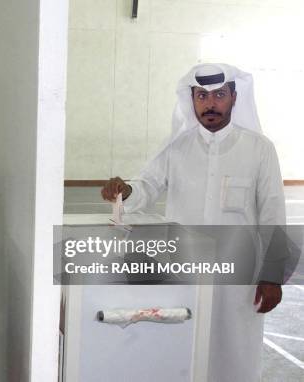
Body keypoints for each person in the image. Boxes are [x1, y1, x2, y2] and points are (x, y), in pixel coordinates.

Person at [102, 63, 286, 381]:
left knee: (236, 352)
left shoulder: (260, 149)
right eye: (202, 95)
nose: (210, 103)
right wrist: (125, 189)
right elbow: (145, 187)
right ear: (192, 99)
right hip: (182, 272)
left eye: (219, 95)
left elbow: (273, 214)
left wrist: (272, 276)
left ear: (233, 97)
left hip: (238, 279)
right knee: (181, 347)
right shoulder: (177, 148)